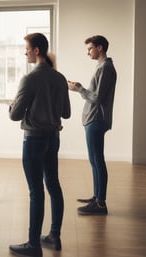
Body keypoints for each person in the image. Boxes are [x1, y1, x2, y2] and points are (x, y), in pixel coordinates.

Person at [9, 33, 71, 257]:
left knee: (36, 191)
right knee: (53, 185)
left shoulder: (29, 79)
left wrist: (14, 106)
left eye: (26, 48)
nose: (25, 52)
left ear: (36, 51)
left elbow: (15, 115)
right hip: (53, 137)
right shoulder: (59, 78)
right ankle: (54, 236)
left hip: (34, 139)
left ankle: (34, 244)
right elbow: (66, 112)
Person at [67, 35, 117, 215]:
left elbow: (97, 98)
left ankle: (101, 204)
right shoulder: (102, 67)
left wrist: (79, 89)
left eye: (90, 48)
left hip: (96, 120)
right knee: (94, 160)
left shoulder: (106, 67)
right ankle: (97, 197)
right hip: (93, 120)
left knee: (97, 161)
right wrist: (80, 88)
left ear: (100, 48)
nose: (88, 52)